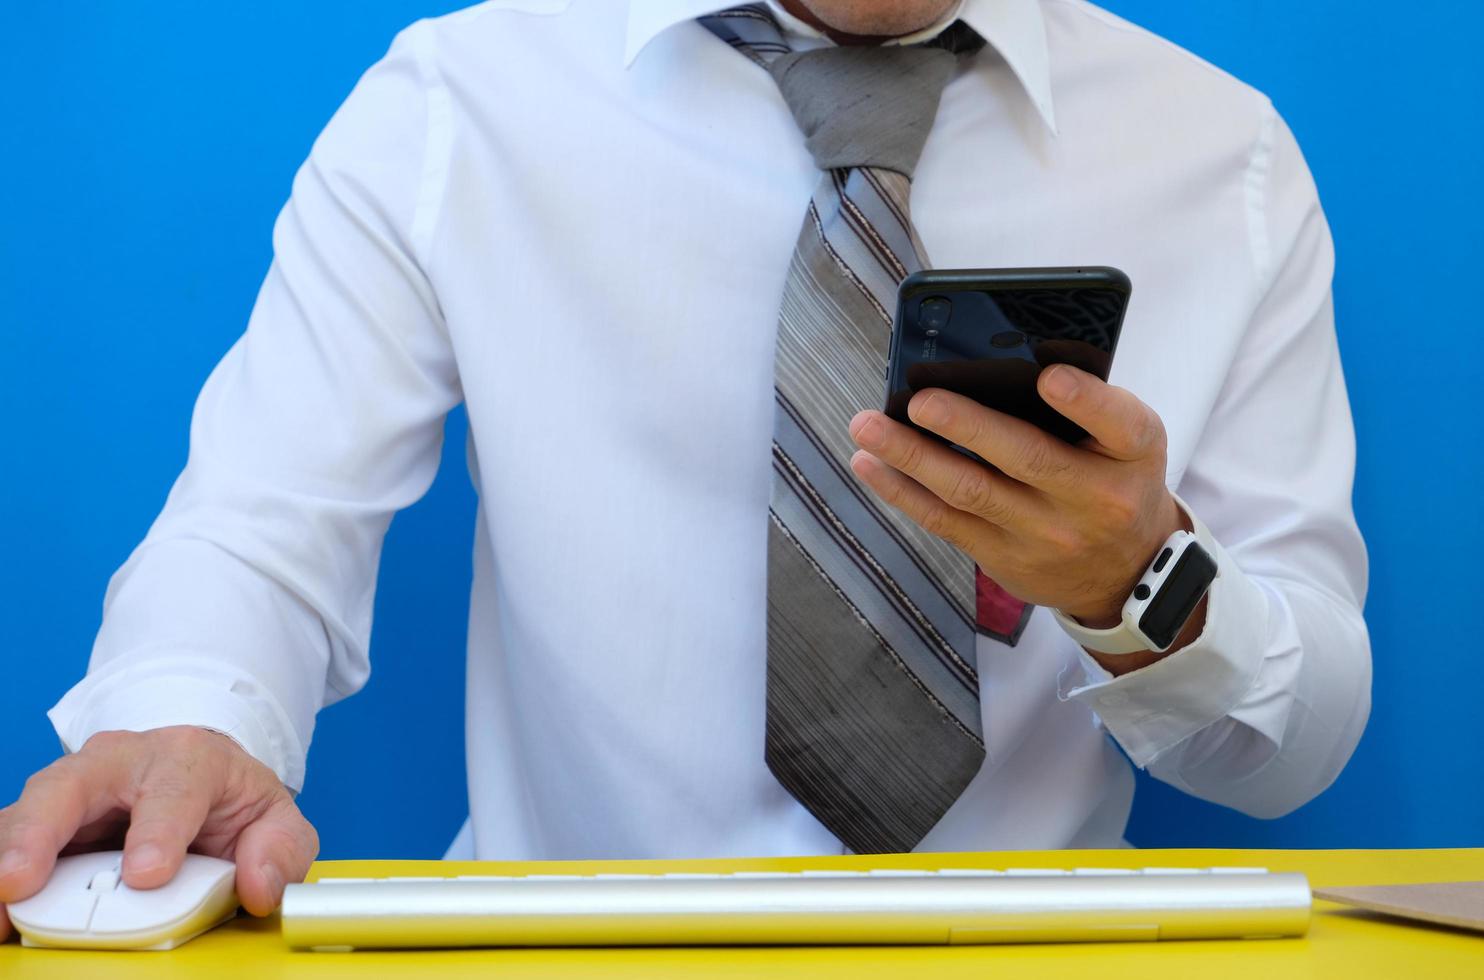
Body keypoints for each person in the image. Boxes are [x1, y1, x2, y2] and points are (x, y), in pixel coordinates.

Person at [0, 0, 1371, 938]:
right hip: (554, 955)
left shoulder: (1219, 159)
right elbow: (260, 524)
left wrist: (1146, 589)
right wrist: (189, 717)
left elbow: (1294, 755)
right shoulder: (463, 103)